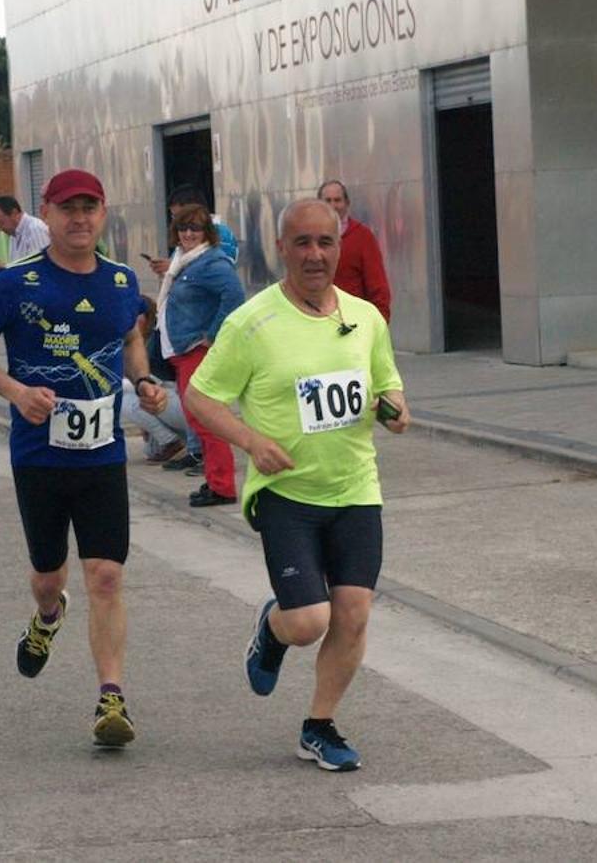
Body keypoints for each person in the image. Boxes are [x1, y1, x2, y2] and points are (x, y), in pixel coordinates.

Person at [184, 198, 409, 772]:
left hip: (356, 487)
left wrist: (395, 410)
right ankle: (274, 628)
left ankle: (320, 725)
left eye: (325, 243)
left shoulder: (365, 317)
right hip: (287, 495)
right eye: (302, 243)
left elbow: (388, 386)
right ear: (282, 248)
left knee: (353, 613)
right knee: (311, 620)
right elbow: (201, 397)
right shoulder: (251, 323)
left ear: (340, 246)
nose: (314, 254)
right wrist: (251, 442)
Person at [0, 168, 165, 748]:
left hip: (101, 455)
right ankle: (48, 616)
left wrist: (144, 381)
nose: (79, 218)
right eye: (67, 207)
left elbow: (130, 339)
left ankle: (111, 697)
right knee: (50, 577)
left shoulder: (122, 282)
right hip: (39, 457)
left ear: (103, 213)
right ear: (45, 213)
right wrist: (17, 393)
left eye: (89, 207)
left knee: (107, 574)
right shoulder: (18, 283)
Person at [157, 203, 245, 507]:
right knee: (198, 420)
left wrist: (211, 335)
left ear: (206, 231)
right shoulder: (183, 261)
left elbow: (234, 294)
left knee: (207, 419)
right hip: (183, 350)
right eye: (183, 228)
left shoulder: (210, 262)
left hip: (196, 351)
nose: (188, 233)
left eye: (195, 228)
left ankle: (222, 487)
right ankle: (214, 481)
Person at [121, 297, 188, 464]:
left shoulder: (158, 340)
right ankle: (174, 441)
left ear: (148, 316)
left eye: (138, 315)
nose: (134, 321)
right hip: (166, 407)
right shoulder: (130, 346)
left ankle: (170, 442)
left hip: (176, 400)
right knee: (151, 451)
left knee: (122, 395)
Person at [316, 180, 392, 322]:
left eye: (337, 200)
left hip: (354, 323)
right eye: (327, 200)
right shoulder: (310, 239)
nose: (333, 205)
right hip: (318, 322)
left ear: (347, 203)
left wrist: (379, 324)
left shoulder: (363, 237)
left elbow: (378, 288)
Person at [0, 195, 50, 271]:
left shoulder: (35, 229)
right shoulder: (14, 234)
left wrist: (4, 270)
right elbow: (19, 266)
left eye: (1, 223)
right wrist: (3, 268)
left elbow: (40, 269)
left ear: (14, 214)